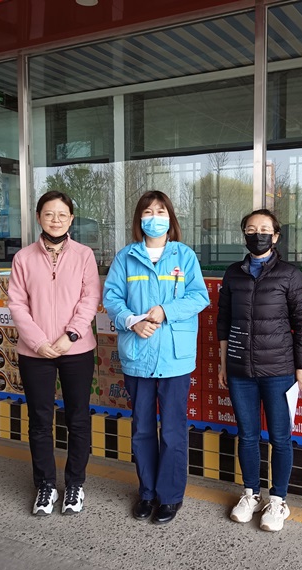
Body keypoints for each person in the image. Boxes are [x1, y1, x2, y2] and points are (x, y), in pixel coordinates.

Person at [103, 190, 208, 525]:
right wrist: (132, 321)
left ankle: (171, 496)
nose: (154, 217)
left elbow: (199, 297)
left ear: (170, 218)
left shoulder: (184, 256)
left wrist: (165, 310)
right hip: (138, 355)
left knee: (174, 431)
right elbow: (112, 298)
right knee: (142, 429)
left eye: (160, 211)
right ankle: (147, 492)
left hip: (174, 358)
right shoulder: (126, 257)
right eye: (148, 212)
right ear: (139, 219)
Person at [217, 209, 302, 532]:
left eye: (264, 229)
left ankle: (278, 499)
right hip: (239, 369)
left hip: (280, 371)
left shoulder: (289, 274)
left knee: (280, 437)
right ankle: (250, 494)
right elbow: (223, 321)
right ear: (244, 234)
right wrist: (223, 364)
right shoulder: (233, 274)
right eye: (250, 229)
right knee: (246, 434)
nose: (257, 234)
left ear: (275, 236)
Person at [8, 190, 101, 516]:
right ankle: (45, 485)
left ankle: (75, 484)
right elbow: (17, 304)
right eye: (49, 214)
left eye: (62, 214)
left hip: (76, 348)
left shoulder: (84, 255)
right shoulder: (23, 258)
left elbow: (90, 298)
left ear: (71, 219)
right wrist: (38, 342)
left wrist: (71, 334)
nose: (56, 220)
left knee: (78, 418)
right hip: (35, 352)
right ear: (38, 217)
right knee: (40, 420)